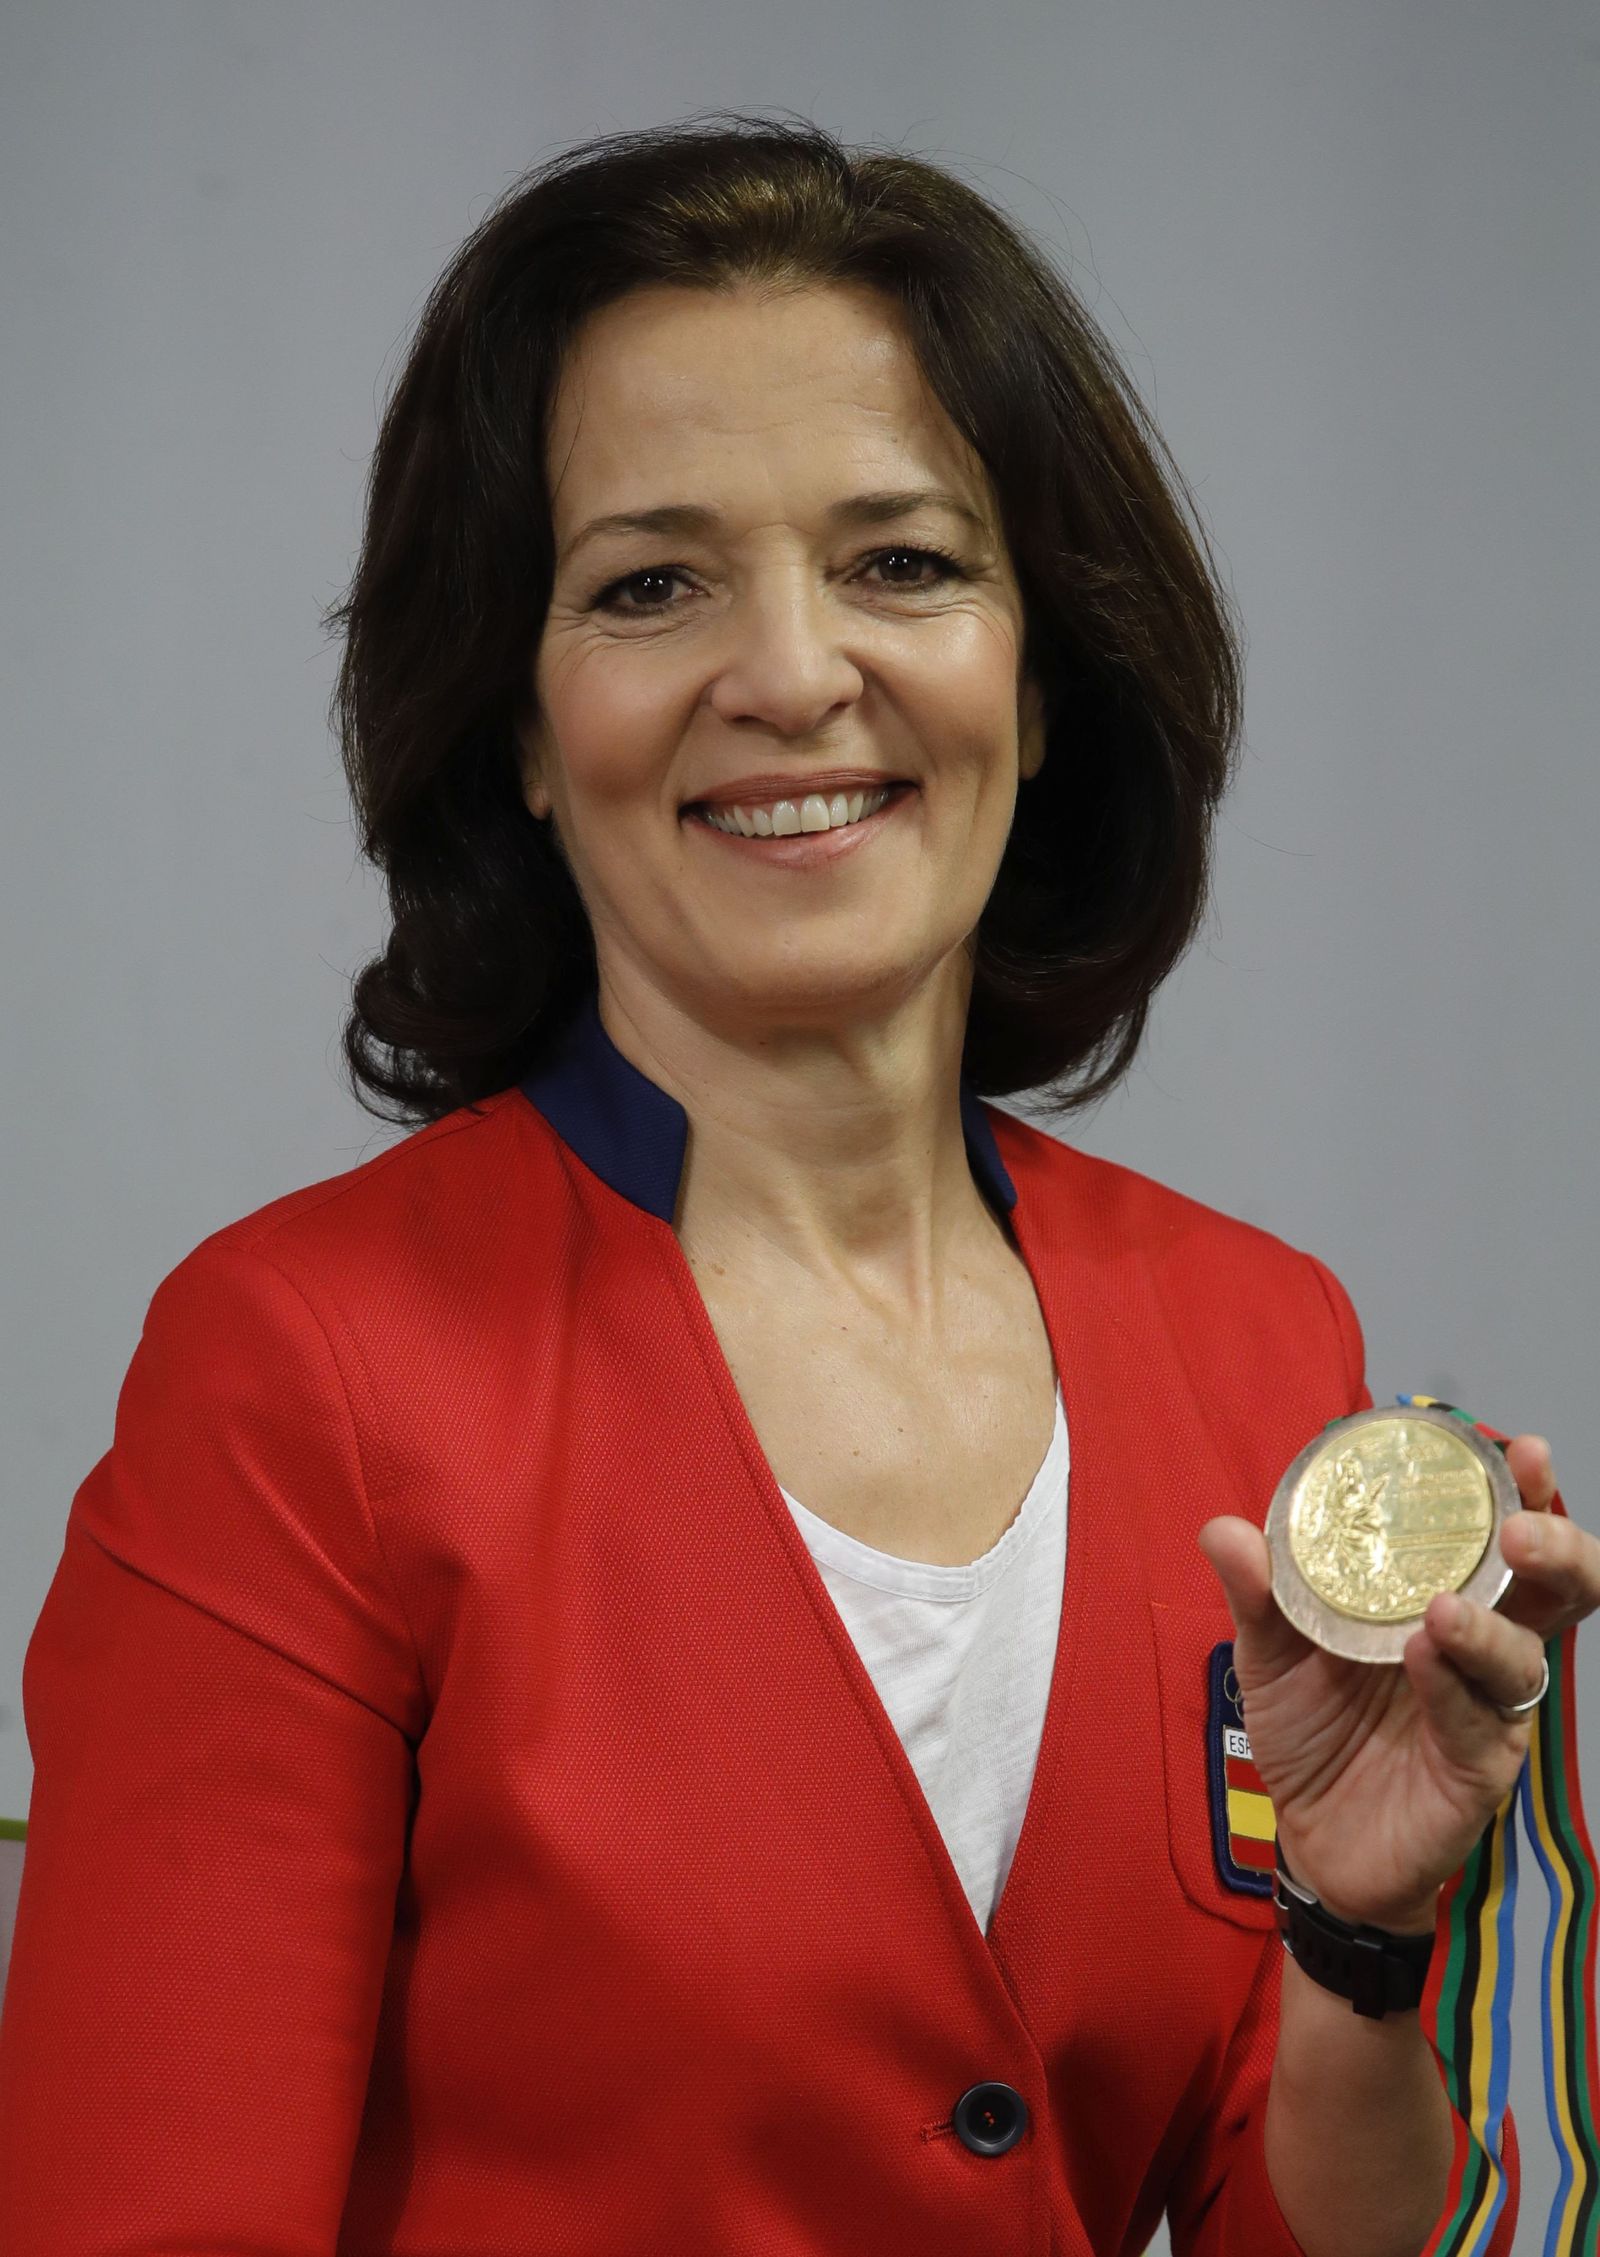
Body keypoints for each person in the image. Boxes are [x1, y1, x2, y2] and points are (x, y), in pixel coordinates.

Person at [0, 113, 1593, 2257]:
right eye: (650, 582)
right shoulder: (306, 1368)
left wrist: (1357, 1946)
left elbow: (1283, 2227)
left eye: (901, 563)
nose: (788, 672)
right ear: (521, 735)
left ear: (1038, 686)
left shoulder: (1254, 1335)